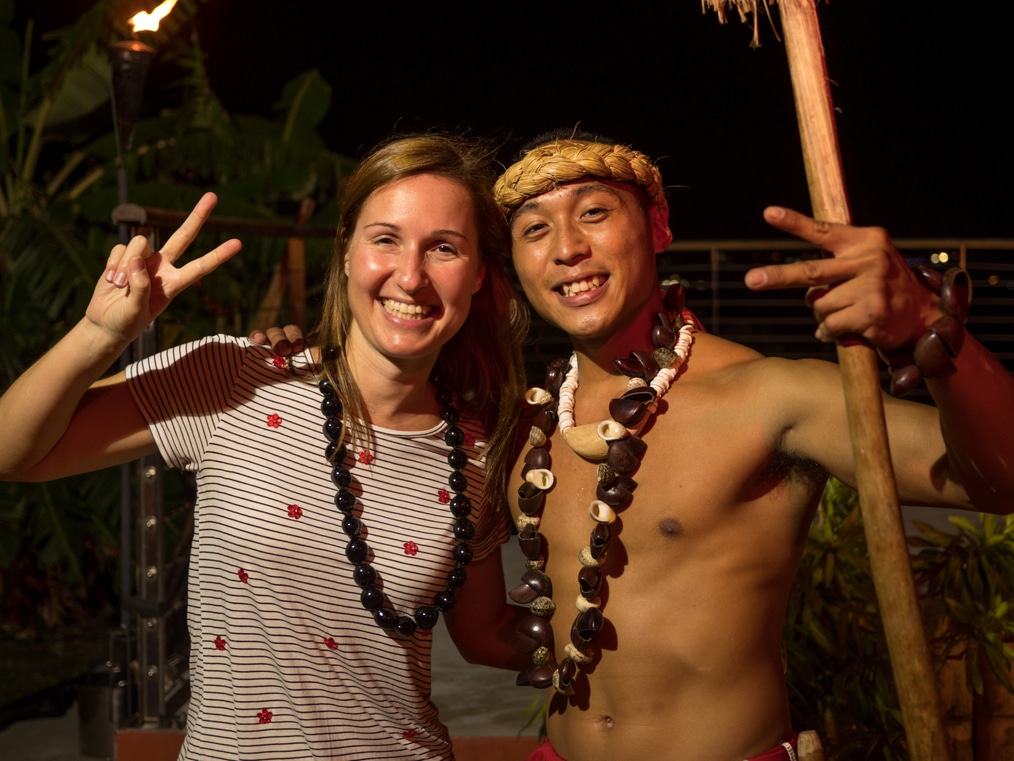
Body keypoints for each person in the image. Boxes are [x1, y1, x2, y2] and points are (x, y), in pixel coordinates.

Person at [0, 133, 532, 760]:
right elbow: (14, 455)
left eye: (444, 247)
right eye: (385, 238)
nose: (410, 276)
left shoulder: (476, 450)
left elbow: (486, 636)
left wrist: (632, 630)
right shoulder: (236, 377)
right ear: (345, 253)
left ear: (478, 277)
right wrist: (97, 334)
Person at [490, 132, 1014, 761]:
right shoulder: (526, 427)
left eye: (594, 213)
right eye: (534, 230)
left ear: (658, 226)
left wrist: (933, 331)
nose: (567, 248)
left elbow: (998, 482)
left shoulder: (771, 397)